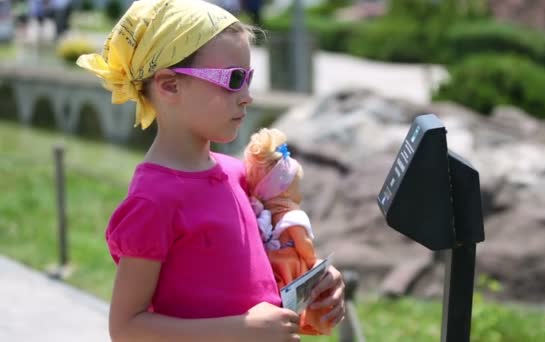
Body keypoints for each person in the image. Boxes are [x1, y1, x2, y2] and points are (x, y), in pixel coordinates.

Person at [75, 0, 345, 341]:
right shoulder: (153, 201)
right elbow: (127, 328)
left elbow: (260, 278)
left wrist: (315, 282)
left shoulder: (239, 174)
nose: (247, 96)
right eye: (233, 80)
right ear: (169, 85)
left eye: (248, 78)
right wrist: (243, 330)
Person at [244, 127, 333, 336]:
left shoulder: (262, 217)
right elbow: (304, 244)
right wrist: (312, 260)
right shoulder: (294, 216)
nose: (300, 193)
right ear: (285, 189)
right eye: (297, 186)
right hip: (289, 268)